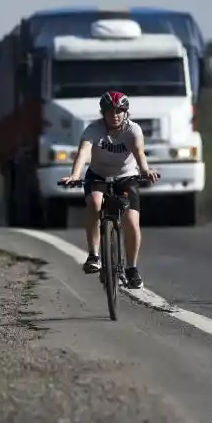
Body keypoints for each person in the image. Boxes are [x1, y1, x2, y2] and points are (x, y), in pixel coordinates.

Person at [58, 91, 160, 289]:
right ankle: (94, 255)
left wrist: (146, 171)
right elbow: (83, 153)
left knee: (131, 221)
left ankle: (131, 268)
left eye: (119, 111)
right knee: (95, 203)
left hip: (126, 177)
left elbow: (139, 153)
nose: (114, 116)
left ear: (125, 112)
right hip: (98, 176)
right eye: (109, 112)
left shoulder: (133, 130)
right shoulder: (93, 130)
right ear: (102, 113)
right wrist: (75, 175)